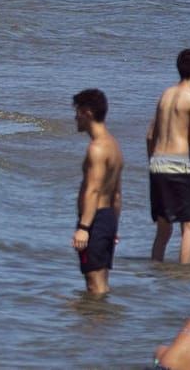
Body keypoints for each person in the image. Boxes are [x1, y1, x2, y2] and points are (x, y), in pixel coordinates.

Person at [146, 48, 190, 264]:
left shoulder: (165, 94)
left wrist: (153, 163)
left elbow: (149, 136)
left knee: (163, 230)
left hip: (157, 163)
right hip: (178, 165)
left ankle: (155, 272)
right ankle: (184, 278)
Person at [73, 88, 123, 296]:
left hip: (95, 220)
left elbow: (92, 190)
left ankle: (92, 325)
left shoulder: (97, 149)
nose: (74, 117)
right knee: (101, 282)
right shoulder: (114, 146)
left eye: (77, 111)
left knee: (94, 283)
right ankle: (101, 323)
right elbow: (117, 195)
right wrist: (114, 228)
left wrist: (84, 227)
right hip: (108, 218)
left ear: (88, 113)